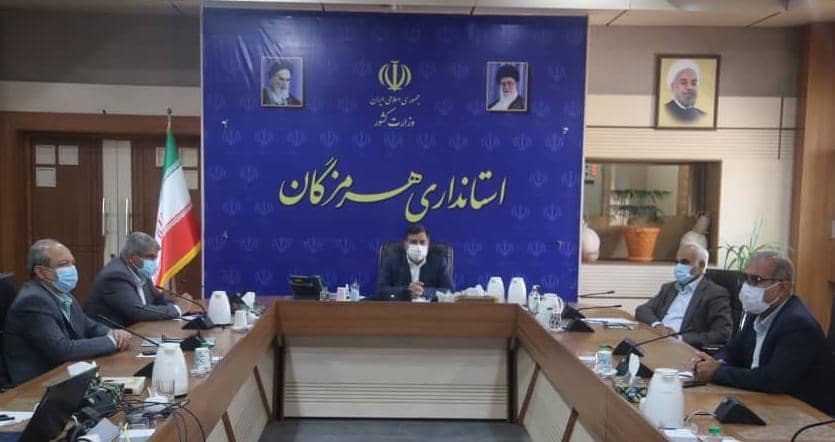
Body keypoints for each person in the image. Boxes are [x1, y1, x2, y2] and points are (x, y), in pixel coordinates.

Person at [693, 252, 835, 415]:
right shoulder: (757, 313)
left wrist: (716, 372)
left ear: (783, 288)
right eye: (746, 278)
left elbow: (772, 379)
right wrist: (712, 363)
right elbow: (732, 350)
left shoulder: (798, 324)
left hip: (802, 413)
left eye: (756, 280)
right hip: (762, 400)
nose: (747, 286)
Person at [4, 239, 131, 385]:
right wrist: (112, 341)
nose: (71, 269)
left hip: (63, 374)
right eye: (63, 264)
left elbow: (88, 325)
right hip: (36, 385)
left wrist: (112, 332)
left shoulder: (62, 294)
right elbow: (62, 349)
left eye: (72, 263)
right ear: (41, 272)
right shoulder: (33, 301)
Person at [635, 244, 732, 348]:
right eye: (677, 262)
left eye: (684, 262)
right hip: (657, 340)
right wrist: (658, 325)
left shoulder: (715, 293)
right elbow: (642, 309)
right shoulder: (669, 288)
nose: (679, 266)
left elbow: (721, 334)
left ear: (701, 265)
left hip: (684, 347)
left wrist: (680, 338)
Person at [85, 232, 182, 326]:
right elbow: (137, 312)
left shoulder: (140, 272)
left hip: (136, 329)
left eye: (155, 258)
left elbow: (158, 299)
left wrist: (177, 302)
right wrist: (177, 309)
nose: (153, 263)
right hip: (111, 333)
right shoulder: (116, 276)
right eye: (150, 257)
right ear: (132, 257)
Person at [375, 225, 454, 301]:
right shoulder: (392, 261)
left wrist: (424, 292)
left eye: (422, 242)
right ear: (405, 244)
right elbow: (381, 290)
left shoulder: (439, 262)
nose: (418, 246)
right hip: (399, 308)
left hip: (430, 308)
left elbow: (449, 291)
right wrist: (406, 292)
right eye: (413, 242)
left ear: (428, 244)